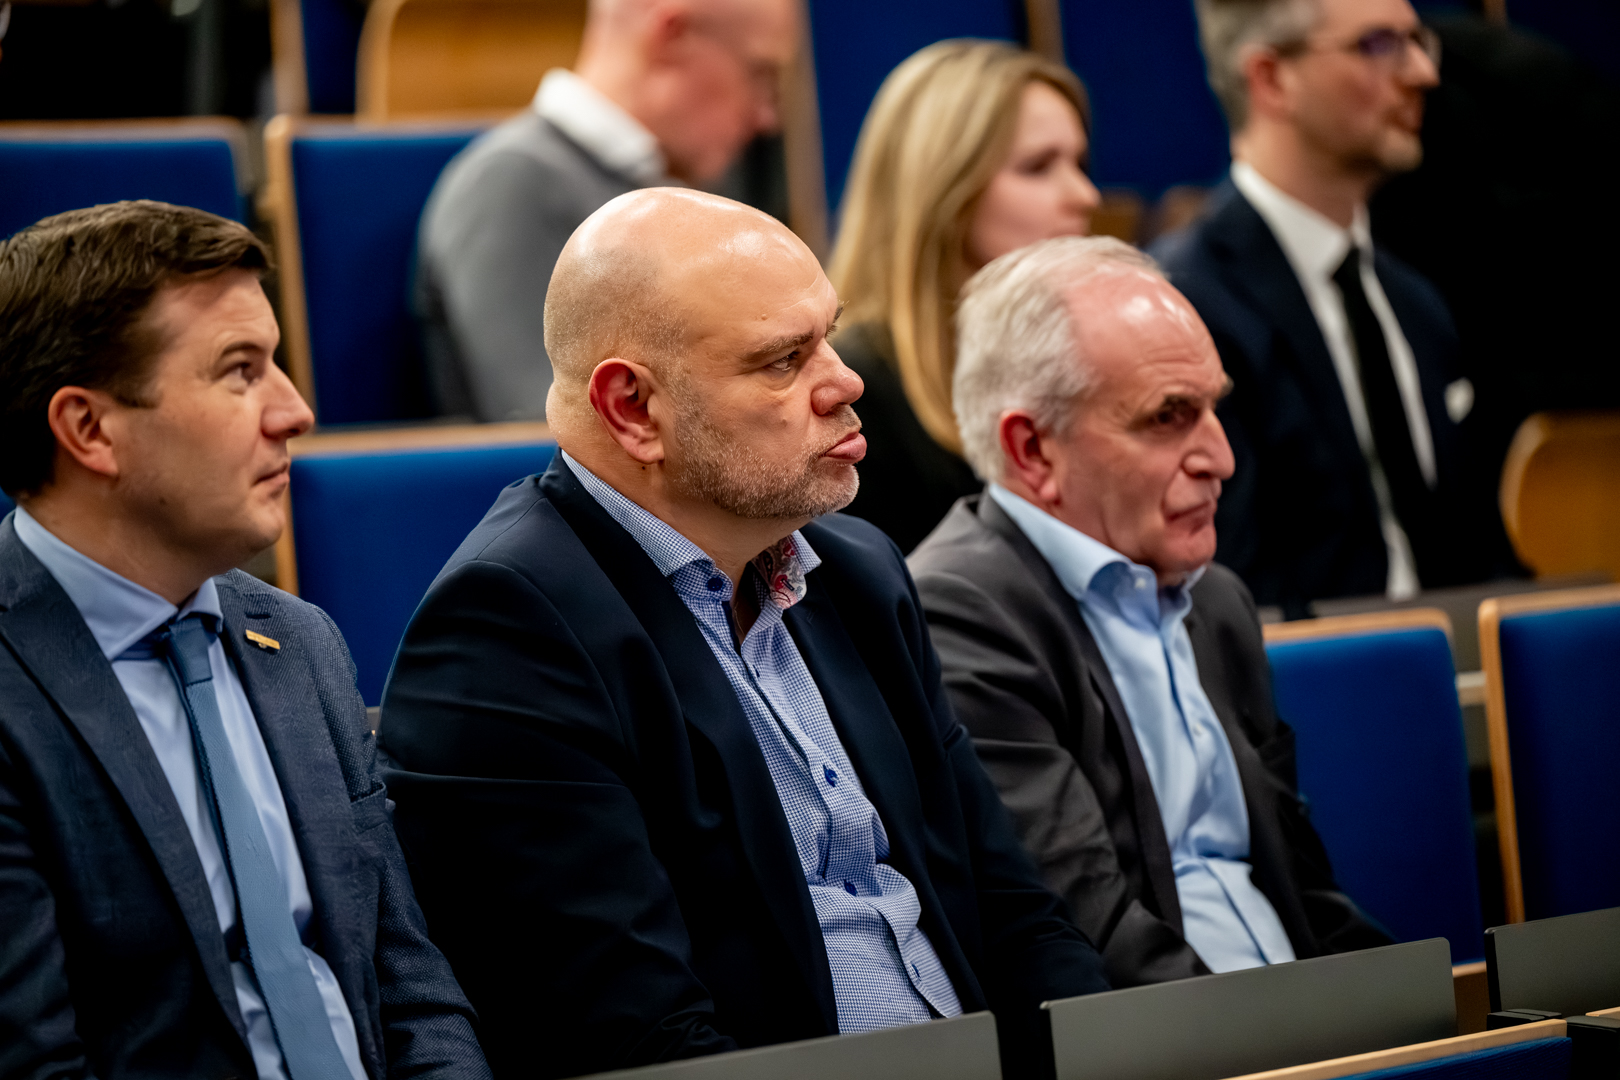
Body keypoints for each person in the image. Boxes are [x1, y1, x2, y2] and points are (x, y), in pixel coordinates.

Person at [380, 189, 1110, 1080]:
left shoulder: (860, 573)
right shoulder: (508, 630)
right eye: (783, 360)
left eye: (828, 336)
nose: (844, 382)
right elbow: (637, 1043)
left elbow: (1016, 912)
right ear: (633, 408)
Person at [0, 201, 490, 1080]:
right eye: (240, 371)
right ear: (89, 430)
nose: (295, 412)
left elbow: (410, 989)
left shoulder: (298, 642)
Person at [910, 236, 1391, 989]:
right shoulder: (960, 614)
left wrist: (1396, 1002)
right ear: (1032, 449)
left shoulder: (1217, 600)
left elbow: (1303, 888)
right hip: (1183, 1032)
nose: (1221, 459)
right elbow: (1087, 932)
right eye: (1169, 417)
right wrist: (1294, 1032)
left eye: (1214, 409)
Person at [1154, 0, 1502, 617]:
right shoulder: (1183, 307)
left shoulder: (1414, 302)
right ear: (1271, 79)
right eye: (1379, 45)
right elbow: (1226, 594)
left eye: (1417, 40)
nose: (1422, 72)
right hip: (1307, 670)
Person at [414, 0, 796, 422]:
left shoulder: (684, 186)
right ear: (673, 36)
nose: (767, 117)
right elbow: (560, 429)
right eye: (759, 72)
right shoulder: (512, 185)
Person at [827, 39, 1100, 554]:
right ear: (945, 189)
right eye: (1038, 166)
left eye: (1080, 163)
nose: (1086, 195)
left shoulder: (1074, 358)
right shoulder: (850, 389)